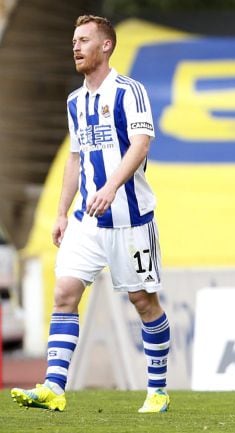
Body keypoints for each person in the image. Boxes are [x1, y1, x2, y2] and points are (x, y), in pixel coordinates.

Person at [10, 15, 171, 413]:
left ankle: (158, 390)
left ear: (106, 46)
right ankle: (54, 386)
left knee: (143, 301)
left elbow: (141, 144)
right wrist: (62, 212)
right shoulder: (75, 100)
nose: (76, 47)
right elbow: (76, 158)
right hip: (87, 220)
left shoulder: (129, 91)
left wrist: (112, 186)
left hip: (131, 220)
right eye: (73, 41)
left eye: (84, 40)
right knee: (64, 293)